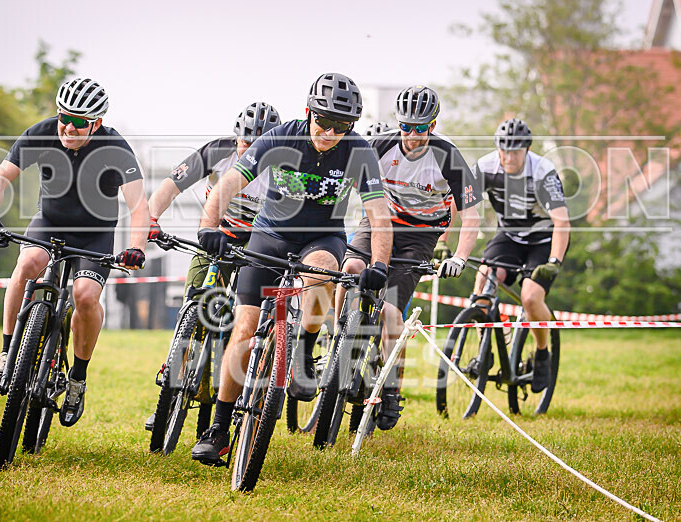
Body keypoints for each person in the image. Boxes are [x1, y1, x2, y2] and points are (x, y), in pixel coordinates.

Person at [190, 72, 393, 464]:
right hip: (270, 235)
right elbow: (230, 182)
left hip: (322, 237)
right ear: (308, 112)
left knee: (320, 270)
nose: (331, 132)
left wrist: (380, 263)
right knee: (244, 330)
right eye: (324, 122)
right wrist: (207, 226)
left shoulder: (359, 153)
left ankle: (302, 347)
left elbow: (378, 215)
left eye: (342, 126)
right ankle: (218, 427)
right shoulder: (281, 137)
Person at [0, 77, 149, 427]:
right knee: (28, 263)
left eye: (80, 121)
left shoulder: (116, 148)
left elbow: (138, 205)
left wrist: (135, 247)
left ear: (97, 123)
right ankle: (7, 354)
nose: (68, 127)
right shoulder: (41, 132)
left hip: (94, 232)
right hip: (50, 221)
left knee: (85, 296)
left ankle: (77, 381)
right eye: (63, 117)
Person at [338, 85, 482, 430]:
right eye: (406, 127)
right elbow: (341, 186)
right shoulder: (380, 146)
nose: (412, 135)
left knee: (390, 311)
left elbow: (473, 217)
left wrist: (459, 258)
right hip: (379, 221)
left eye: (421, 128)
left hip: (421, 235)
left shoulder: (448, 156)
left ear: (432, 126)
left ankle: (390, 389)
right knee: (350, 267)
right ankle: (335, 337)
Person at [143, 102, 280, 431]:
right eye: (247, 144)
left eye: (260, 146)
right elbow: (170, 186)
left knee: (251, 316)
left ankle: (242, 389)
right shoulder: (217, 151)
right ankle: (172, 373)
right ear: (236, 138)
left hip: (260, 241)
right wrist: (150, 219)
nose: (251, 153)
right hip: (219, 233)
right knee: (195, 298)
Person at [472, 118, 570, 392]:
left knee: (530, 297)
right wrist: (446, 243)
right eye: (504, 149)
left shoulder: (542, 171)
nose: (508, 156)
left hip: (544, 240)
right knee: (484, 279)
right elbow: (458, 203)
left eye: (515, 150)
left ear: (527, 149)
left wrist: (554, 262)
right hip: (510, 236)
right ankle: (485, 349)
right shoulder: (486, 166)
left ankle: (542, 353)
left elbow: (562, 222)